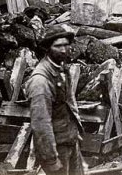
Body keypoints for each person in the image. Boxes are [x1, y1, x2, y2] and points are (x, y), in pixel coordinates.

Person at [26, 24, 85, 175]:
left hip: (70, 140)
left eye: (66, 45)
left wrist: (75, 131)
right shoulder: (41, 81)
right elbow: (41, 123)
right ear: (48, 48)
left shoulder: (61, 68)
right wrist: (51, 159)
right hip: (57, 148)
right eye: (58, 46)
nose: (64, 50)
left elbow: (69, 102)